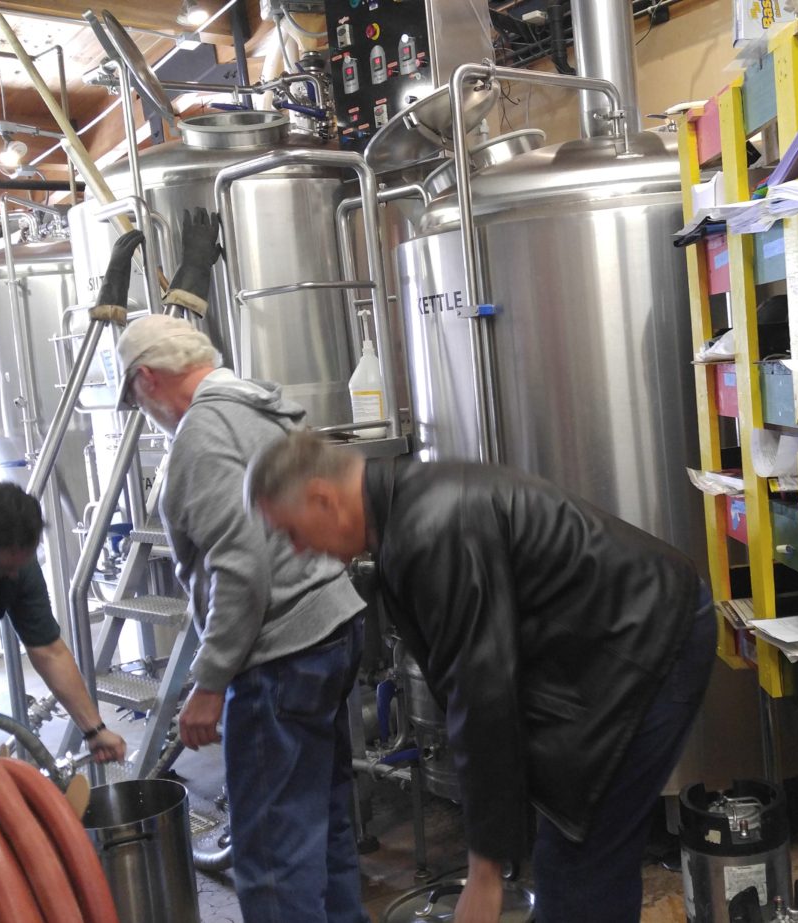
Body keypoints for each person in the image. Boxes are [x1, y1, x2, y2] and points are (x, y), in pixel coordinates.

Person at [246, 430, 717, 923]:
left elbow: (481, 695)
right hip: (604, 646)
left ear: (323, 499)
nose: (299, 552)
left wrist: (485, 872)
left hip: (651, 638)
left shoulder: (427, 528)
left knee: (579, 858)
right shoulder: (405, 511)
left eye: (293, 533)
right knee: (579, 855)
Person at [115, 313, 370, 923]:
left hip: (278, 652)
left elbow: (241, 565)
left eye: (135, 398)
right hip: (334, 626)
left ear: (148, 378)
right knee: (325, 820)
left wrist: (209, 682)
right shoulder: (264, 402)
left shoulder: (202, 433)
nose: (144, 414)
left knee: (274, 854)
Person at [0, 482, 127, 763]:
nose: (13, 576)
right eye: (3, 568)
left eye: (19, 566)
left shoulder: (16, 563)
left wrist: (95, 730)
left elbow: (49, 651)